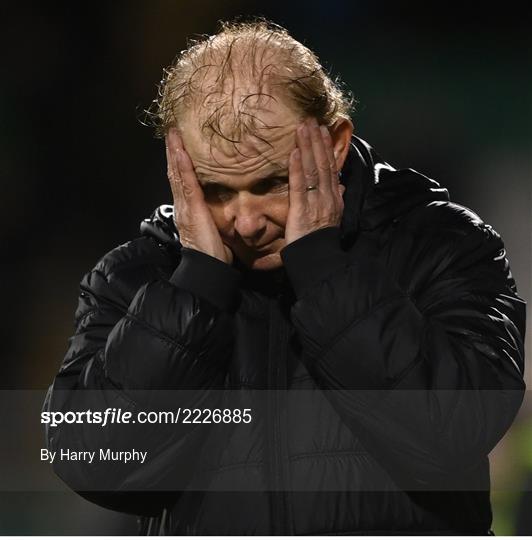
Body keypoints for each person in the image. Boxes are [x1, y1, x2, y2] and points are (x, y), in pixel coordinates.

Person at [43, 20, 526, 535]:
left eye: (272, 182)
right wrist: (196, 290)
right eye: (216, 191)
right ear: (177, 163)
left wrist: (323, 270)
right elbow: (93, 462)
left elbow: (452, 436)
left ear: (336, 144)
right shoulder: (136, 278)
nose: (246, 223)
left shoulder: (442, 243)